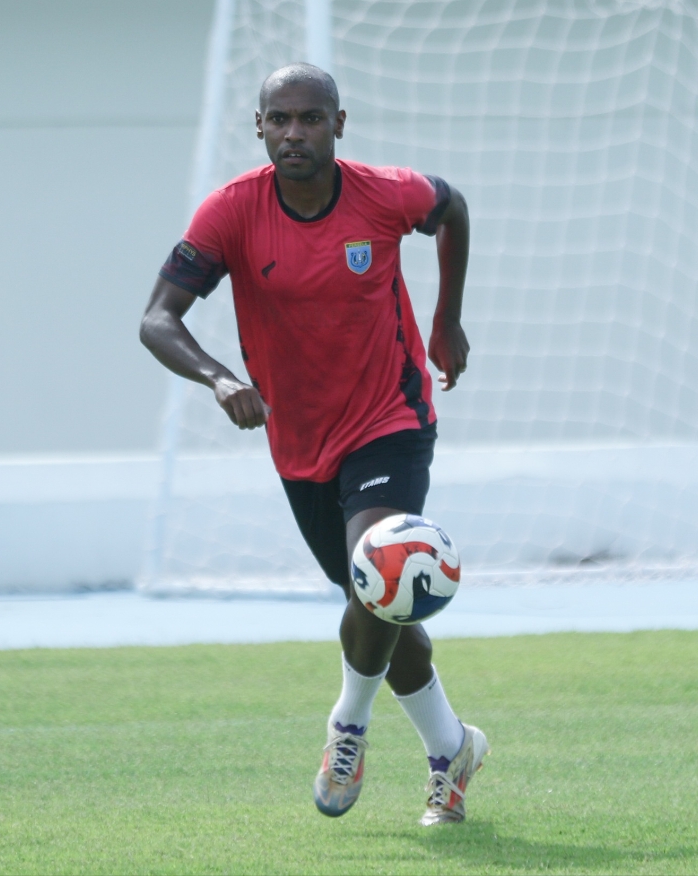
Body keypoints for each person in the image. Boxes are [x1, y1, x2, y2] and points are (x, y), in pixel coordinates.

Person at [138, 63, 488, 825]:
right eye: (280, 120)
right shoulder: (231, 213)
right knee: (382, 610)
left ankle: (347, 727)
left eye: (310, 118)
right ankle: (452, 748)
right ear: (259, 128)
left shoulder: (385, 194)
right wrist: (218, 378)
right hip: (299, 442)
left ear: (339, 124)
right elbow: (157, 320)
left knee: (380, 578)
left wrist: (445, 319)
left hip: (389, 420)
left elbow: (452, 206)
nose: (295, 133)